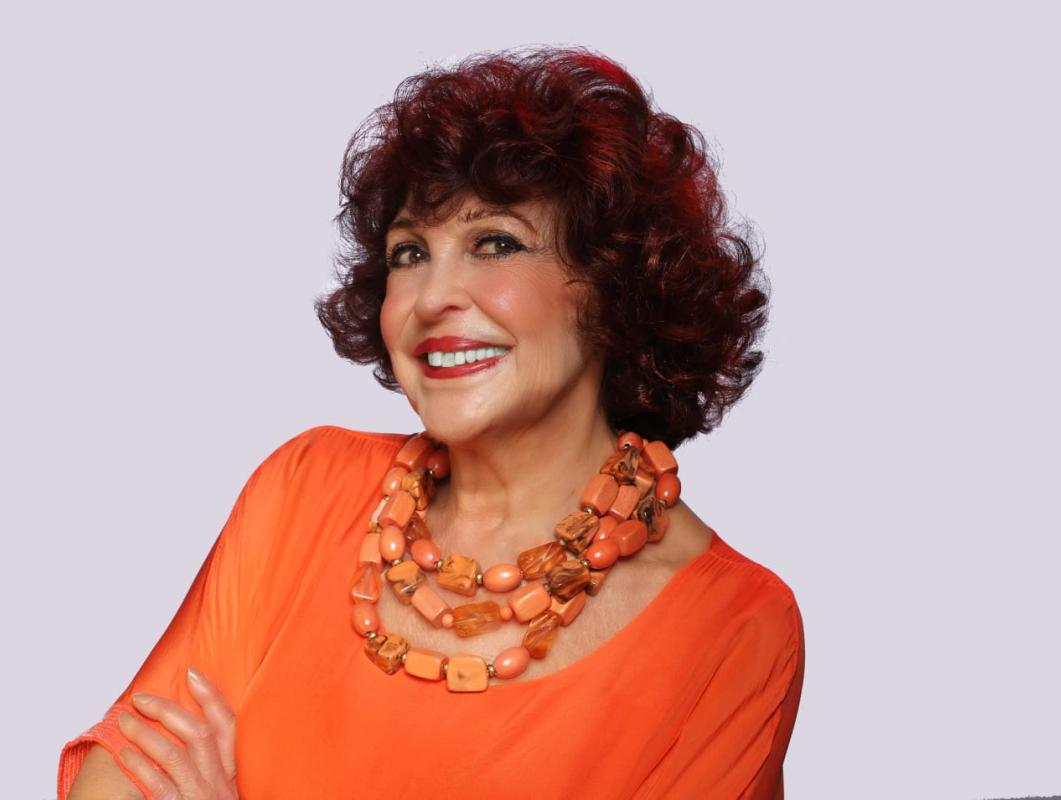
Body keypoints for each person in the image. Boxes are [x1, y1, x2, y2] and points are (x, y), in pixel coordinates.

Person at [58, 44, 804, 799]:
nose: (432, 295)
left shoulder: (734, 628)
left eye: (496, 243)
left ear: (614, 285)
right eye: (410, 253)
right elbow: (116, 777)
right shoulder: (304, 492)